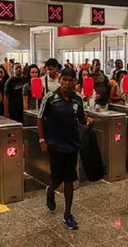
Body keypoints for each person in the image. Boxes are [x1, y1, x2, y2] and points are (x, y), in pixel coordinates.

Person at [37, 68, 93, 230]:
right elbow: (40, 119)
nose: (67, 83)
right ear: (60, 80)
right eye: (64, 80)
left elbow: (80, 117)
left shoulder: (77, 99)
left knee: (69, 179)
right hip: (54, 145)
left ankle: (68, 214)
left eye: (70, 80)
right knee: (57, 178)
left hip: (71, 144)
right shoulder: (50, 97)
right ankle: (51, 191)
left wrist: (87, 119)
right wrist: (42, 140)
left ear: (75, 81)